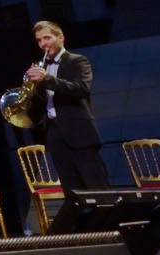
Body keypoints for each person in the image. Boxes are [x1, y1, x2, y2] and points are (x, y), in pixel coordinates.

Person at [26, 20, 106, 192]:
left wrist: (47, 79)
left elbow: (82, 89)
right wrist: (31, 91)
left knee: (97, 188)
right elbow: (42, 103)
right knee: (71, 190)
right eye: (39, 40)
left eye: (47, 38)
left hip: (79, 131)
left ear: (61, 37)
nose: (43, 44)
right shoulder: (42, 67)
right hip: (54, 132)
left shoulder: (77, 61)